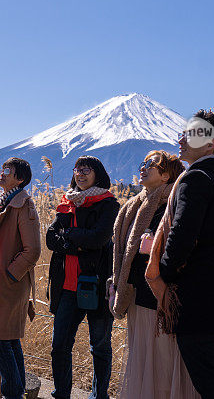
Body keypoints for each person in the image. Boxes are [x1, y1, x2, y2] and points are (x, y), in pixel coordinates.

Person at [146, 110, 214, 399]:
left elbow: (180, 239)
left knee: (210, 381)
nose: (181, 139)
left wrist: (163, 275)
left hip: (193, 296)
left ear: (210, 144)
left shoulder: (195, 180)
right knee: (213, 373)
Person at [109, 151, 197, 399]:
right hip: (136, 295)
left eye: (151, 165)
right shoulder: (135, 206)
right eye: (143, 163)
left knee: (162, 361)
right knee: (144, 357)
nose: (143, 168)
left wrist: (154, 247)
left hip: (158, 298)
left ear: (167, 175)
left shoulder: (172, 206)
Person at [46, 156, 120, 399]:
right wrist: (77, 243)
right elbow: (50, 237)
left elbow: (99, 239)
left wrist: (69, 234)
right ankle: (62, 394)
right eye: (77, 169)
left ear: (97, 173)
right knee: (59, 347)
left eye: (86, 169)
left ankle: (99, 395)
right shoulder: (67, 201)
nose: (80, 173)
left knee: (99, 346)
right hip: (66, 286)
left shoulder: (109, 203)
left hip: (97, 285)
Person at [0, 157, 41, 399]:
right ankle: (17, 392)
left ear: (20, 179)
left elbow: (32, 249)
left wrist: (9, 274)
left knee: (1, 342)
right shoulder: (5, 201)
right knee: (9, 341)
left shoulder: (23, 205)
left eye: (7, 171)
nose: (1, 174)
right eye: (2, 169)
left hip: (7, 284)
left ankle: (13, 394)